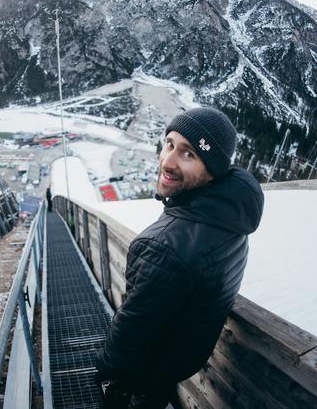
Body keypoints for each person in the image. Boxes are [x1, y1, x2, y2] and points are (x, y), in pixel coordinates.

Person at [95, 107, 264, 408]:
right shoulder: (231, 217)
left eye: (188, 154)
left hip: (143, 373)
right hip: (177, 362)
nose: (167, 161)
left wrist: (105, 371)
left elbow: (130, 330)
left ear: (212, 172)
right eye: (169, 144)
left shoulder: (165, 247)